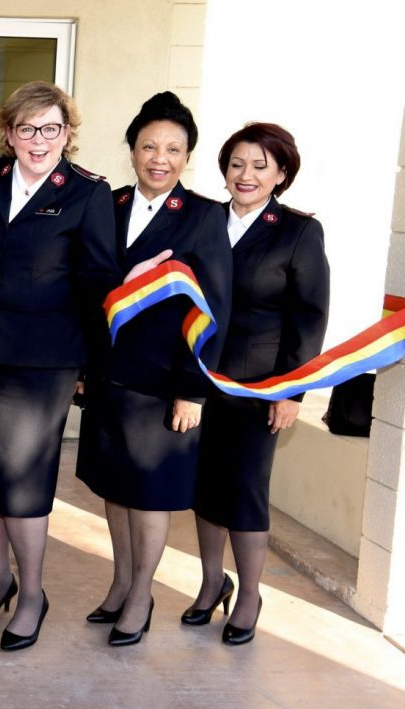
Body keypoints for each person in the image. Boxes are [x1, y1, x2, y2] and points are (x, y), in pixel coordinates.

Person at [0, 81, 120, 651]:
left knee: (24, 480)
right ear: (8, 134)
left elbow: (98, 280)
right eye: (26, 128)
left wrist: (91, 361)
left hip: (46, 361)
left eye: (51, 128)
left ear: (67, 135)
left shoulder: (86, 193)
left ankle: (32, 594)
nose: (38, 139)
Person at [76, 91, 232, 646]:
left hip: (166, 384)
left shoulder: (204, 216)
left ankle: (142, 594)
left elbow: (215, 308)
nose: (158, 158)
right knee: (113, 488)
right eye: (148, 146)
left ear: (187, 156)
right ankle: (120, 583)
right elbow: (91, 287)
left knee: (151, 494)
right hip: (109, 376)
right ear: (132, 150)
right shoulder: (107, 205)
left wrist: (194, 391)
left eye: (172, 148)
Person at [186, 123, 329, 645]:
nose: (245, 175)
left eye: (259, 166)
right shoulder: (203, 220)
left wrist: (293, 391)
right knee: (203, 487)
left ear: (281, 174)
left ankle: (248, 595)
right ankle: (209, 584)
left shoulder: (297, 231)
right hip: (200, 381)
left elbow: (309, 317)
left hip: (259, 389)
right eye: (237, 163)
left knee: (245, 490)